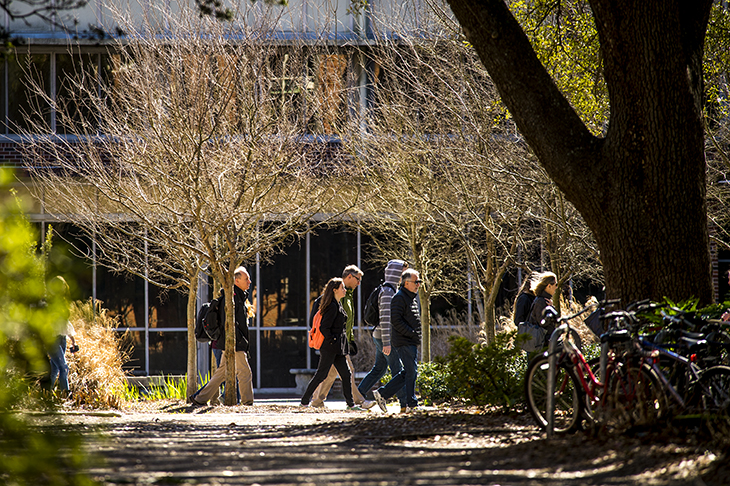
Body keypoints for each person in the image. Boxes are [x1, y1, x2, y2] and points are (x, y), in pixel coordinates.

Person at [311, 265, 375, 409]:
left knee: (330, 374)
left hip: (342, 341)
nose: (359, 283)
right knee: (348, 371)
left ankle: (316, 402)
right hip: (335, 342)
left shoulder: (348, 295)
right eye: (358, 279)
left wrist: (350, 341)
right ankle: (358, 402)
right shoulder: (335, 294)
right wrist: (332, 338)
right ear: (349, 277)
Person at [189, 267, 254, 406]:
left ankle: (199, 399)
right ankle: (247, 403)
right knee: (245, 373)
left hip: (231, 342)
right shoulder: (231, 299)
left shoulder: (239, 297)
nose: (249, 281)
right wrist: (240, 341)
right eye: (246, 279)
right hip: (234, 343)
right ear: (236, 281)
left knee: (222, 373)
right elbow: (230, 325)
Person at [300, 278, 361, 410]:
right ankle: (304, 401)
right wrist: (332, 339)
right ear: (335, 290)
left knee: (346, 374)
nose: (345, 290)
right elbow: (324, 327)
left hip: (338, 348)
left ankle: (351, 405)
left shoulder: (336, 304)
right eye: (342, 288)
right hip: (330, 348)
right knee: (321, 374)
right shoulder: (332, 306)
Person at [357, 259, 408, 410]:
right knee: (398, 370)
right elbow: (386, 320)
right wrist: (387, 342)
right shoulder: (388, 292)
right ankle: (405, 404)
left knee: (379, 369)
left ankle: (358, 397)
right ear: (395, 273)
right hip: (385, 337)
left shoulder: (391, 290)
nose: (404, 277)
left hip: (381, 335)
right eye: (403, 273)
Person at [372, 269, 422, 413]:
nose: (418, 285)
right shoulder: (399, 297)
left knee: (409, 372)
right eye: (416, 282)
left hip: (410, 340)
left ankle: (383, 394)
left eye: (419, 282)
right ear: (406, 283)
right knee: (411, 372)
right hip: (404, 341)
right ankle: (412, 404)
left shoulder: (410, 297)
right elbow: (396, 320)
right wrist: (411, 333)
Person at [47, 276, 78, 394]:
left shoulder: (63, 301)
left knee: (54, 369)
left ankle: (46, 395)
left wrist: (73, 340)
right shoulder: (49, 302)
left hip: (62, 338)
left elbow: (65, 323)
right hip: (52, 339)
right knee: (64, 368)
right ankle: (66, 394)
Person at [528, 271, 559, 341]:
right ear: (549, 286)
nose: (556, 287)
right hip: (541, 343)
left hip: (544, 341)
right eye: (556, 284)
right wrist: (551, 311)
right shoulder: (541, 301)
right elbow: (542, 322)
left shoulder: (545, 300)